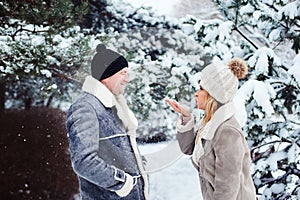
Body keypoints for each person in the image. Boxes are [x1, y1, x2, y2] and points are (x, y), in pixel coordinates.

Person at [166, 58, 256, 200]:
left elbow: (227, 188)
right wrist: (186, 117)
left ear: (214, 95)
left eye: (201, 89)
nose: (196, 93)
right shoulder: (210, 123)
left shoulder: (227, 132)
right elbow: (188, 148)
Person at [66, 44, 148, 200]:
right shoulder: (86, 107)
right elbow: (83, 161)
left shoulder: (115, 108)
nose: (127, 79)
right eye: (123, 73)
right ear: (107, 75)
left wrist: (139, 165)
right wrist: (122, 182)